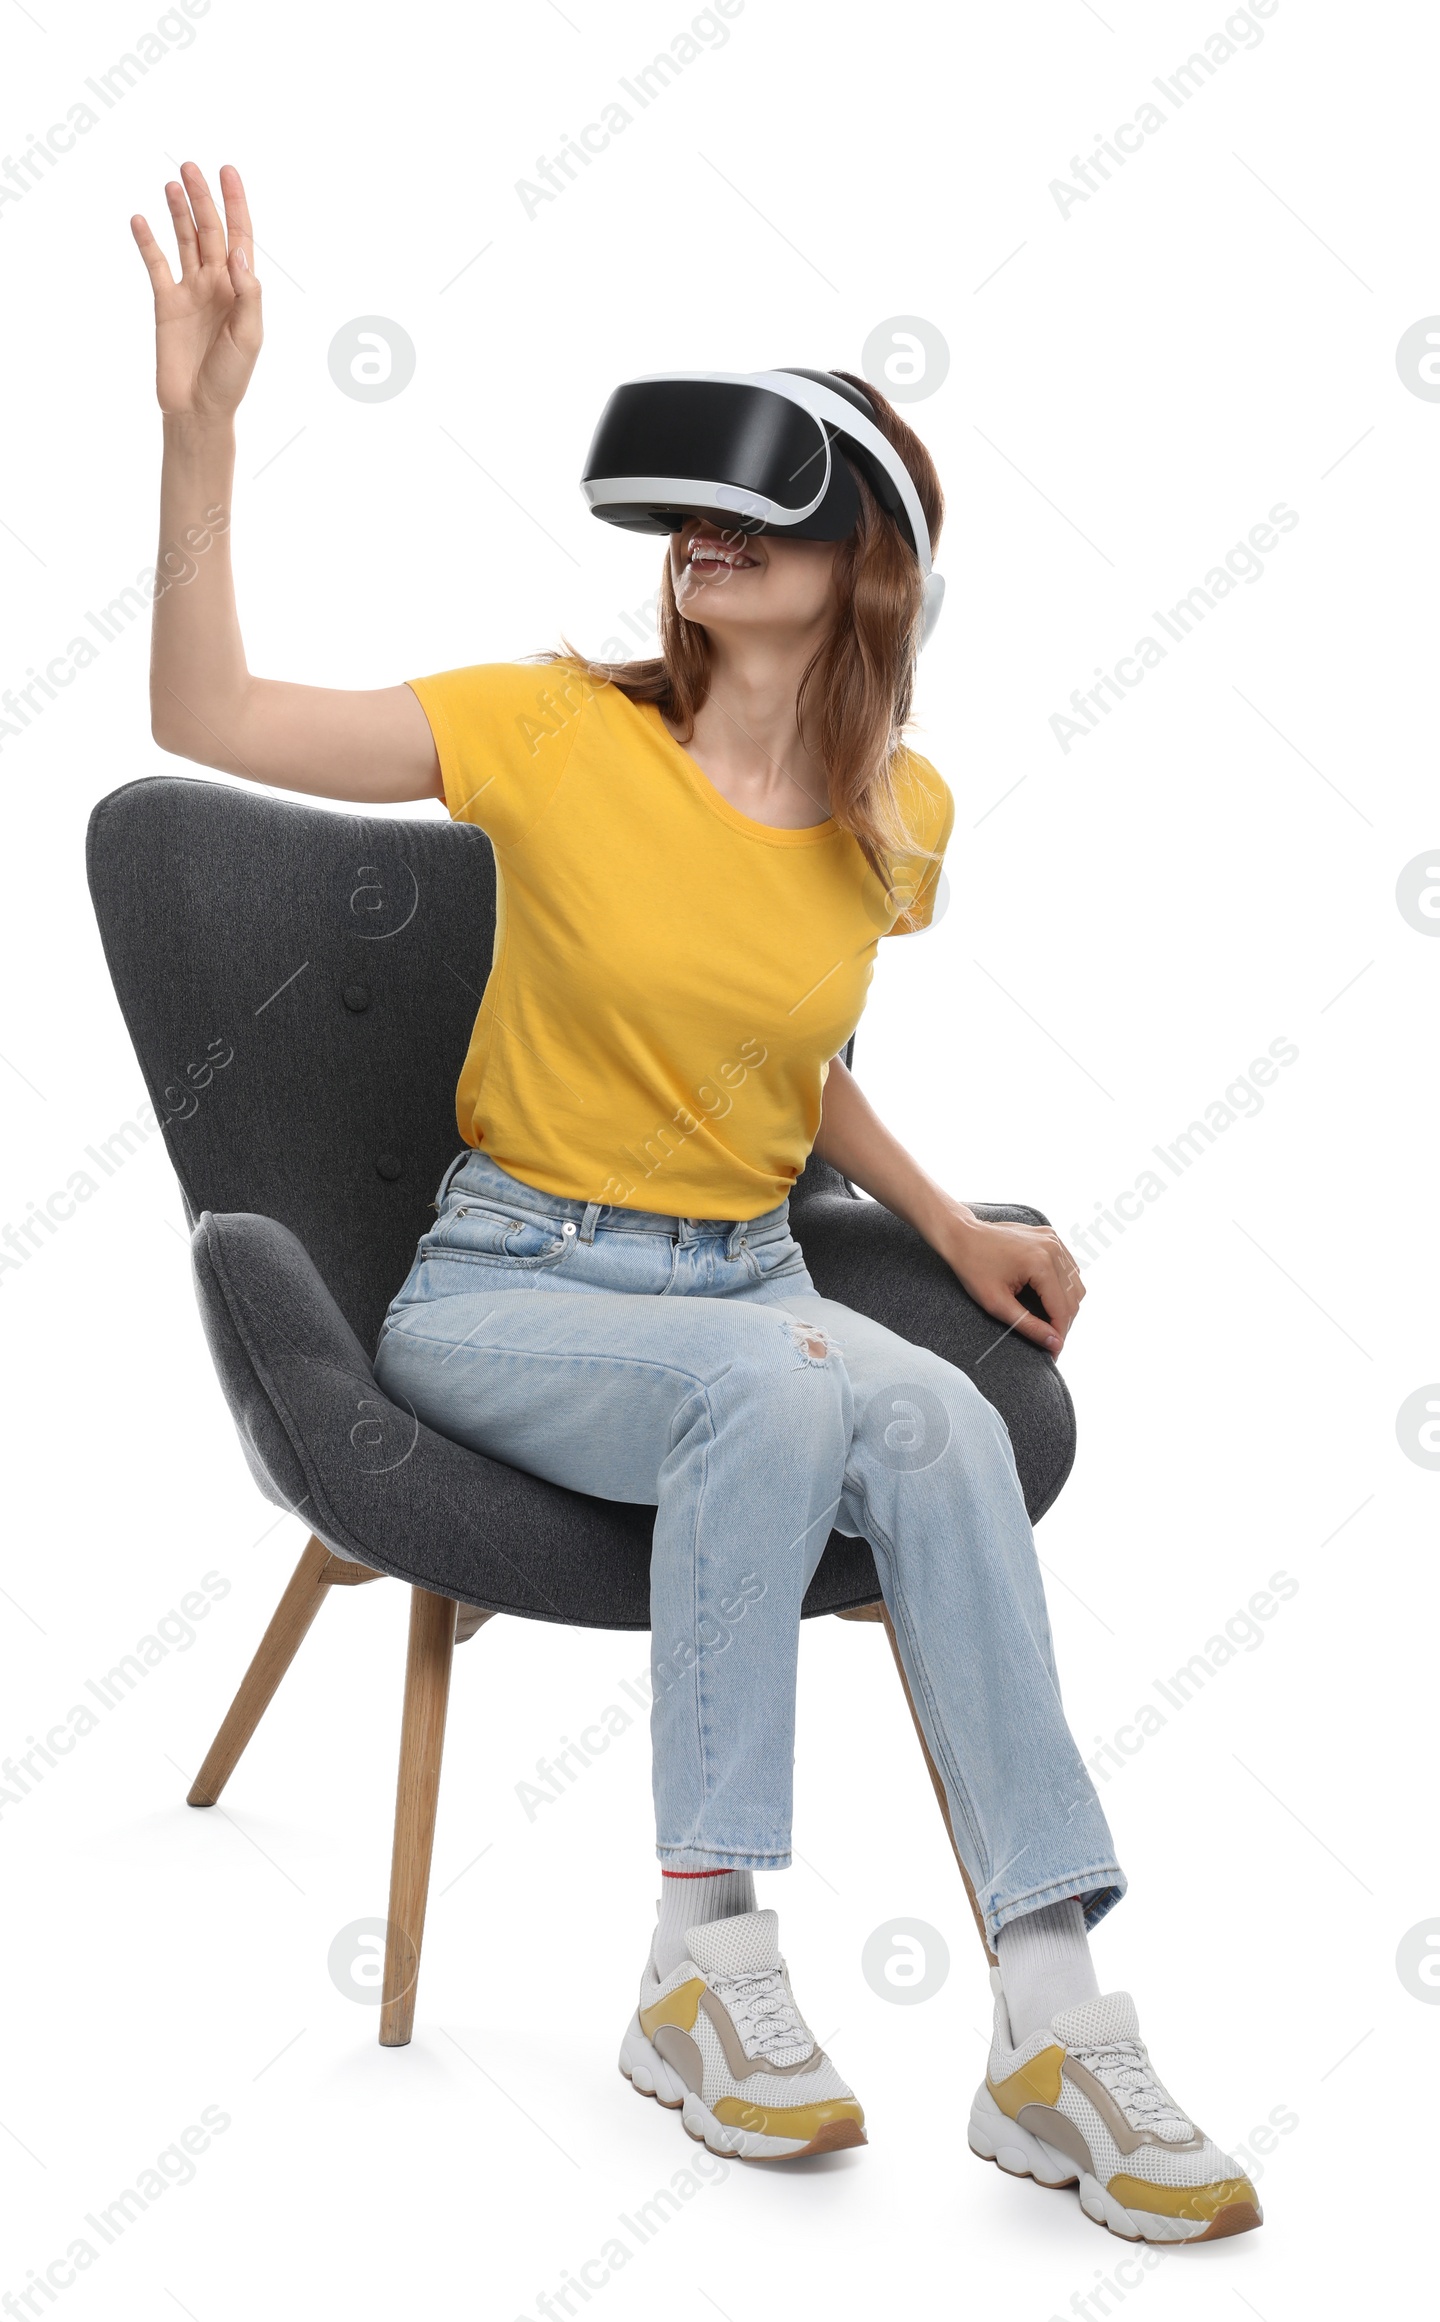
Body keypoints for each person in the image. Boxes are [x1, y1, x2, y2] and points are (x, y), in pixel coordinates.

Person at [131, 159, 1261, 2243]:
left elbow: (787, 1062)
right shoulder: (550, 736)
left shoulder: (893, 819)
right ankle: (703, 1960)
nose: (697, 546)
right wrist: (201, 434)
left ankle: (1048, 2010)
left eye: (761, 508)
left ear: (868, 565)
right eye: (682, 518)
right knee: (787, 1397)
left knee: (918, 1406)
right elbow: (202, 718)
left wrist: (942, 1226)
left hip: (742, 1283)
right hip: (511, 1287)